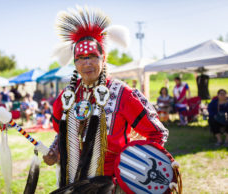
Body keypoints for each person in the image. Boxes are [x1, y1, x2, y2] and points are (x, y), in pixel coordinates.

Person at [42, 6, 169, 193]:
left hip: (114, 184)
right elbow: (62, 132)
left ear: (103, 58)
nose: (87, 63)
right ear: (75, 63)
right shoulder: (66, 97)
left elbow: (157, 133)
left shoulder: (123, 94)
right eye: (81, 58)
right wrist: (55, 150)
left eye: (93, 56)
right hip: (74, 183)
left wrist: (133, 169)